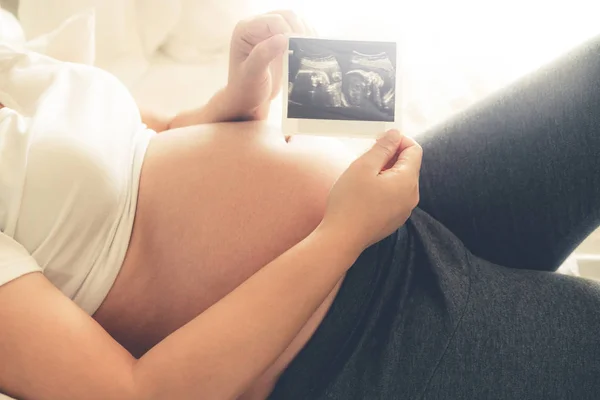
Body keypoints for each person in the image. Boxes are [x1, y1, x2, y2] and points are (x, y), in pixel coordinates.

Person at [0, 9, 599, 400]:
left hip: (398, 212)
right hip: (356, 337)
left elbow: (144, 140)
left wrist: (239, 92)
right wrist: (337, 237)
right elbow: (135, 392)